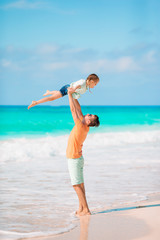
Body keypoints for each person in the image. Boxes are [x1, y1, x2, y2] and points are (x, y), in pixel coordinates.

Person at [66, 87, 100, 216]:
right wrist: (75, 96)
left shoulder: (81, 125)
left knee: (76, 185)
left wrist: (69, 95)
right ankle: (81, 208)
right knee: (80, 183)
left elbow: (73, 111)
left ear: (89, 121)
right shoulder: (85, 127)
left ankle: (86, 209)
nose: (88, 114)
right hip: (78, 158)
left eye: (90, 115)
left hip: (74, 158)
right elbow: (79, 109)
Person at [28, 74, 99, 109]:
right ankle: (36, 102)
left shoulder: (86, 86)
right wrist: (73, 90)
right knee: (52, 98)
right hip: (67, 88)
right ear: (91, 81)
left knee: (58, 94)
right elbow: (75, 86)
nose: (95, 86)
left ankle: (49, 92)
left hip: (67, 90)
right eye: (95, 84)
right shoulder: (83, 82)